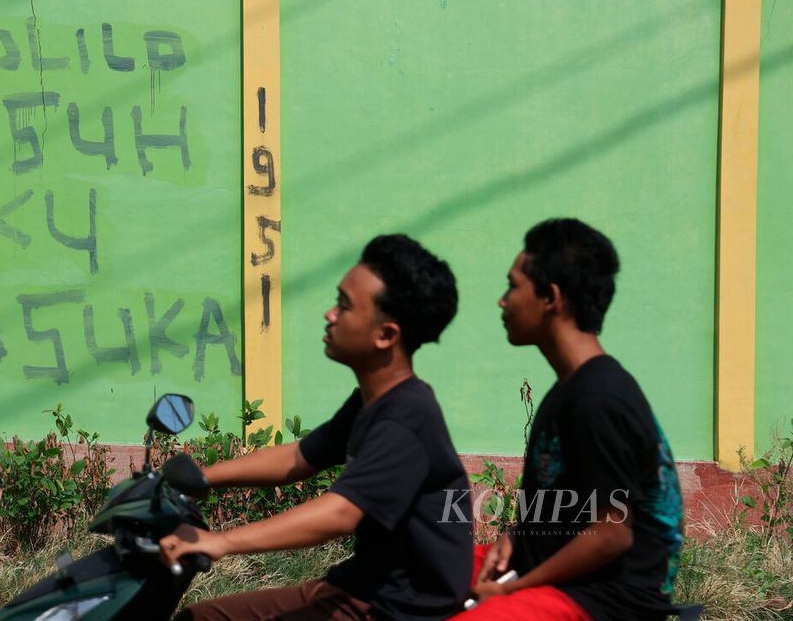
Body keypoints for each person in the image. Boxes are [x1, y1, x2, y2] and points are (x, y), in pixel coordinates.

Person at [160, 234, 473, 620]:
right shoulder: (373, 401)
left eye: (344, 306)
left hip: (395, 610)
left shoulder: (406, 418)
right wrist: (199, 478)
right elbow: (298, 457)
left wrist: (221, 542)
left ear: (386, 335)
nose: (329, 315)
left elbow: (339, 514)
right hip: (358, 587)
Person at [460, 218, 684, 620]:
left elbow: (611, 533)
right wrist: (514, 537)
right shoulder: (572, 388)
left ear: (551, 297)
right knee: (415, 570)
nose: (502, 300)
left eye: (513, 286)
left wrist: (512, 589)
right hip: (550, 574)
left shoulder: (597, 399)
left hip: (605, 598)